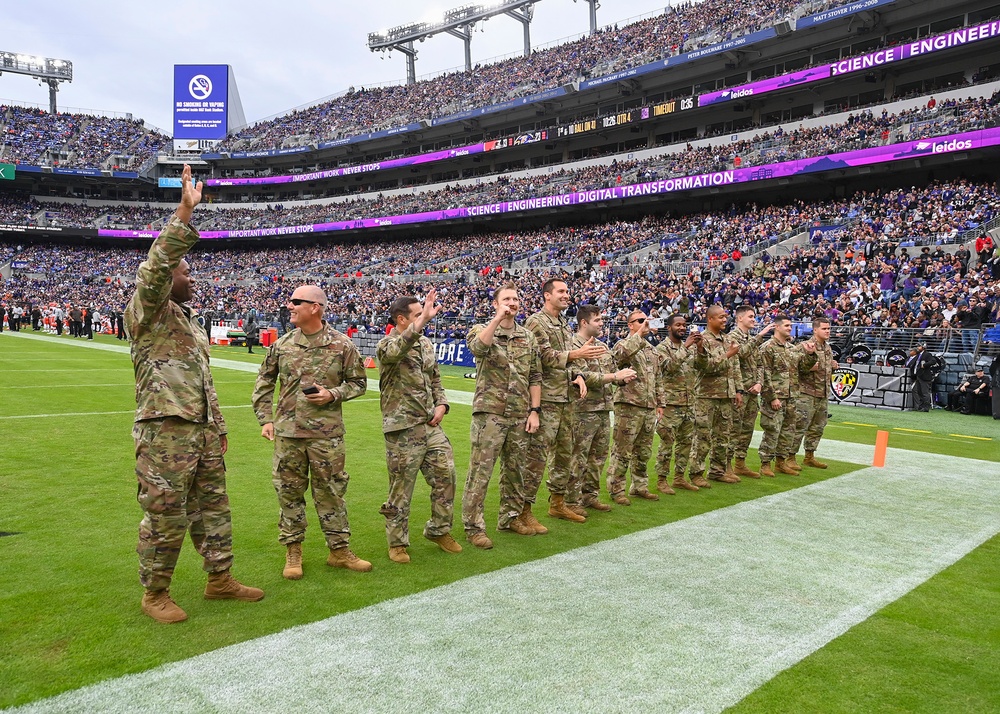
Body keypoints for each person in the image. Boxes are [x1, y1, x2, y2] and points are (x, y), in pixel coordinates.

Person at [125, 164, 263, 624]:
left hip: (200, 432)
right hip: (164, 430)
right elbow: (157, 266)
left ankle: (219, 579)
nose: (192, 279)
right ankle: (155, 592)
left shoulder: (188, 322)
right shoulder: (147, 311)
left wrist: (218, 427)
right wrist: (184, 213)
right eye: (187, 273)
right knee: (166, 514)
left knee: (213, 509)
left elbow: (204, 382)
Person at [252, 284, 371, 579]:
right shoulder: (282, 345)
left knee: (331, 491)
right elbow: (264, 382)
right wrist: (265, 419)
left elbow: (359, 383)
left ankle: (339, 551)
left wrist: (332, 394)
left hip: (326, 435)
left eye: (296, 302)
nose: (289, 306)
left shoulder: (342, 345)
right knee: (289, 493)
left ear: (315, 307)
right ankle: (293, 552)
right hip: (289, 435)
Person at [376, 289, 461, 564]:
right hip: (402, 428)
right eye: (417, 314)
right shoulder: (386, 344)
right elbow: (395, 352)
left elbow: (435, 378)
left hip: (429, 425)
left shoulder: (425, 344)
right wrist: (421, 321)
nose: (424, 317)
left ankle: (439, 530)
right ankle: (397, 542)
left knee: (446, 475)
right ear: (401, 320)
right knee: (401, 488)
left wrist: (442, 404)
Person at [462, 282, 542, 549]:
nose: (512, 303)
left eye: (516, 298)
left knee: (515, 471)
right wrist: (497, 320)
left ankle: (509, 518)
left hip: (520, 413)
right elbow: (478, 349)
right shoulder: (481, 329)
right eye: (506, 299)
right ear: (495, 304)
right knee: (481, 471)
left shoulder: (528, 337)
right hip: (490, 414)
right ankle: (474, 526)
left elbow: (535, 375)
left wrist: (535, 411)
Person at [524, 278, 599, 524]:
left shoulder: (563, 324)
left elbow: (568, 361)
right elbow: (544, 356)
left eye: (568, 291)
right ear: (547, 295)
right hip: (546, 399)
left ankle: (557, 504)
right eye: (561, 291)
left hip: (566, 399)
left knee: (565, 455)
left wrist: (578, 375)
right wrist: (577, 354)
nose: (567, 295)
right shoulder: (536, 322)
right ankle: (524, 511)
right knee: (537, 457)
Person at [570, 304, 636, 511]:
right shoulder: (572, 346)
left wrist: (623, 377)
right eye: (597, 320)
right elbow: (582, 376)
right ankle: (571, 501)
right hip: (581, 410)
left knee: (597, 457)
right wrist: (614, 376)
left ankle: (590, 495)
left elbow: (611, 373)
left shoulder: (602, 346)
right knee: (577, 458)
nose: (602, 323)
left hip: (603, 409)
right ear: (584, 322)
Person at [608, 310, 661, 503]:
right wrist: (639, 336)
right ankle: (616, 489)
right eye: (640, 320)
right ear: (630, 325)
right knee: (623, 450)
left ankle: (639, 486)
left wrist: (660, 403)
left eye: (647, 320)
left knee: (644, 451)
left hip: (648, 406)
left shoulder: (652, 350)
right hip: (629, 405)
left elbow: (658, 379)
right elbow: (619, 357)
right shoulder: (624, 343)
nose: (645, 323)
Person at [689, 306, 743, 487]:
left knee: (723, 437)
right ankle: (696, 473)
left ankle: (718, 471)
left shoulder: (728, 339)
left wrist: (738, 390)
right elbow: (707, 367)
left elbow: (734, 367)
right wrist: (728, 354)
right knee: (702, 436)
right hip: (706, 395)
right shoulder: (701, 340)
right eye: (721, 317)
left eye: (726, 317)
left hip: (725, 395)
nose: (724, 320)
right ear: (710, 319)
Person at [759, 315, 816, 476]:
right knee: (772, 430)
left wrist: (810, 355)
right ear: (776, 327)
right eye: (786, 325)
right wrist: (772, 397)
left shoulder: (791, 348)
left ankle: (781, 462)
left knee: (788, 431)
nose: (789, 328)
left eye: (791, 326)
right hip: (776, 397)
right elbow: (764, 375)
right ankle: (765, 463)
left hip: (791, 396)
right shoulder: (768, 347)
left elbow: (803, 368)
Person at [726, 306, 773, 479]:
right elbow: (742, 353)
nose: (754, 319)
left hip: (753, 391)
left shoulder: (751, 338)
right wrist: (760, 336)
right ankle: (726, 465)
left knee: (747, 429)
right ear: (739, 318)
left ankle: (740, 463)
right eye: (750, 316)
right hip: (740, 390)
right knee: (734, 428)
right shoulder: (732, 337)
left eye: (754, 316)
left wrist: (760, 382)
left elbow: (760, 364)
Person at [654, 314, 700, 492]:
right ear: (669, 327)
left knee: (685, 443)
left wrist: (700, 348)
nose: (682, 328)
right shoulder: (661, 348)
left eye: (684, 325)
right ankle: (661, 480)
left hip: (689, 403)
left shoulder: (690, 348)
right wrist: (687, 346)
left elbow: (702, 367)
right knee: (667, 442)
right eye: (678, 325)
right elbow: (668, 368)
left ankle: (680, 477)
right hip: (670, 404)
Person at [792, 317, 837, 469]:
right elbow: (792, 365)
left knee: (818, 427)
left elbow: (825, 367)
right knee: (800, 426)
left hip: (822, 393)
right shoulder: (804, 346)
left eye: (829, 329)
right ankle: (789, 457)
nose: (827, 331)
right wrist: (808, 367)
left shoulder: (828, 348)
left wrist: (832, 366)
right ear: (815, 329)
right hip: (806, 393)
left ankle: (809, 456)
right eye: (824, 329)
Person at [906, 344, 941, 412]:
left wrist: (924, 365)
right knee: (919, 392)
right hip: (918, 375)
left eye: (919, 346)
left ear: (923, 347)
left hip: (924, 376)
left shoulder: (927, 354)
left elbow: (933, 361)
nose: (917, 348)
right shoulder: (919, 355)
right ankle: (920, 406)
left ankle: (926, 407)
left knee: (925, 393)